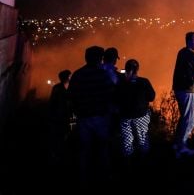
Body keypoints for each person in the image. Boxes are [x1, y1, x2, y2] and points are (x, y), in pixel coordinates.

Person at [68, 46, 116, 187]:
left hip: (83, 118)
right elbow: (111, 93)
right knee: (102, 149)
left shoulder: (78, 75)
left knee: (84, 149)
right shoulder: (103, 75)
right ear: (98, 58)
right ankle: (103, 177)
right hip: (101, 118)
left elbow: (71, 97)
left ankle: (83, 178)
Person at [172, 31, 194, 158]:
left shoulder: (181, 52)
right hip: (188, 90)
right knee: (189, 119)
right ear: (190, 41)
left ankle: (177, 143)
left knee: (183, 117)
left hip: (179, 89)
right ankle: (182, 147)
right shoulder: (193, 56)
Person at [116, 59, 155, 159]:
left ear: (126, 69)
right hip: (141, 116)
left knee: (127, 142)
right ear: (137, 69)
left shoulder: (121, 83)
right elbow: (151, 97)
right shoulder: (144, 82)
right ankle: (144, 162)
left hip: (125, 117)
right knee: (143, 140)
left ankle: (129, 165)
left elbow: (115, 99)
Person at [49, 69, 73, 163]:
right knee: (59, 135)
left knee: (65, 134)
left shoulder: (65, 88)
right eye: (70, 76)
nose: (71, 78)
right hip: (59, 116)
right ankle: (57, 155)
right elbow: (53, 103)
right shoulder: (58, 88)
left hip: (65, 116)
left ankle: (61, 153)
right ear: (66, 77)